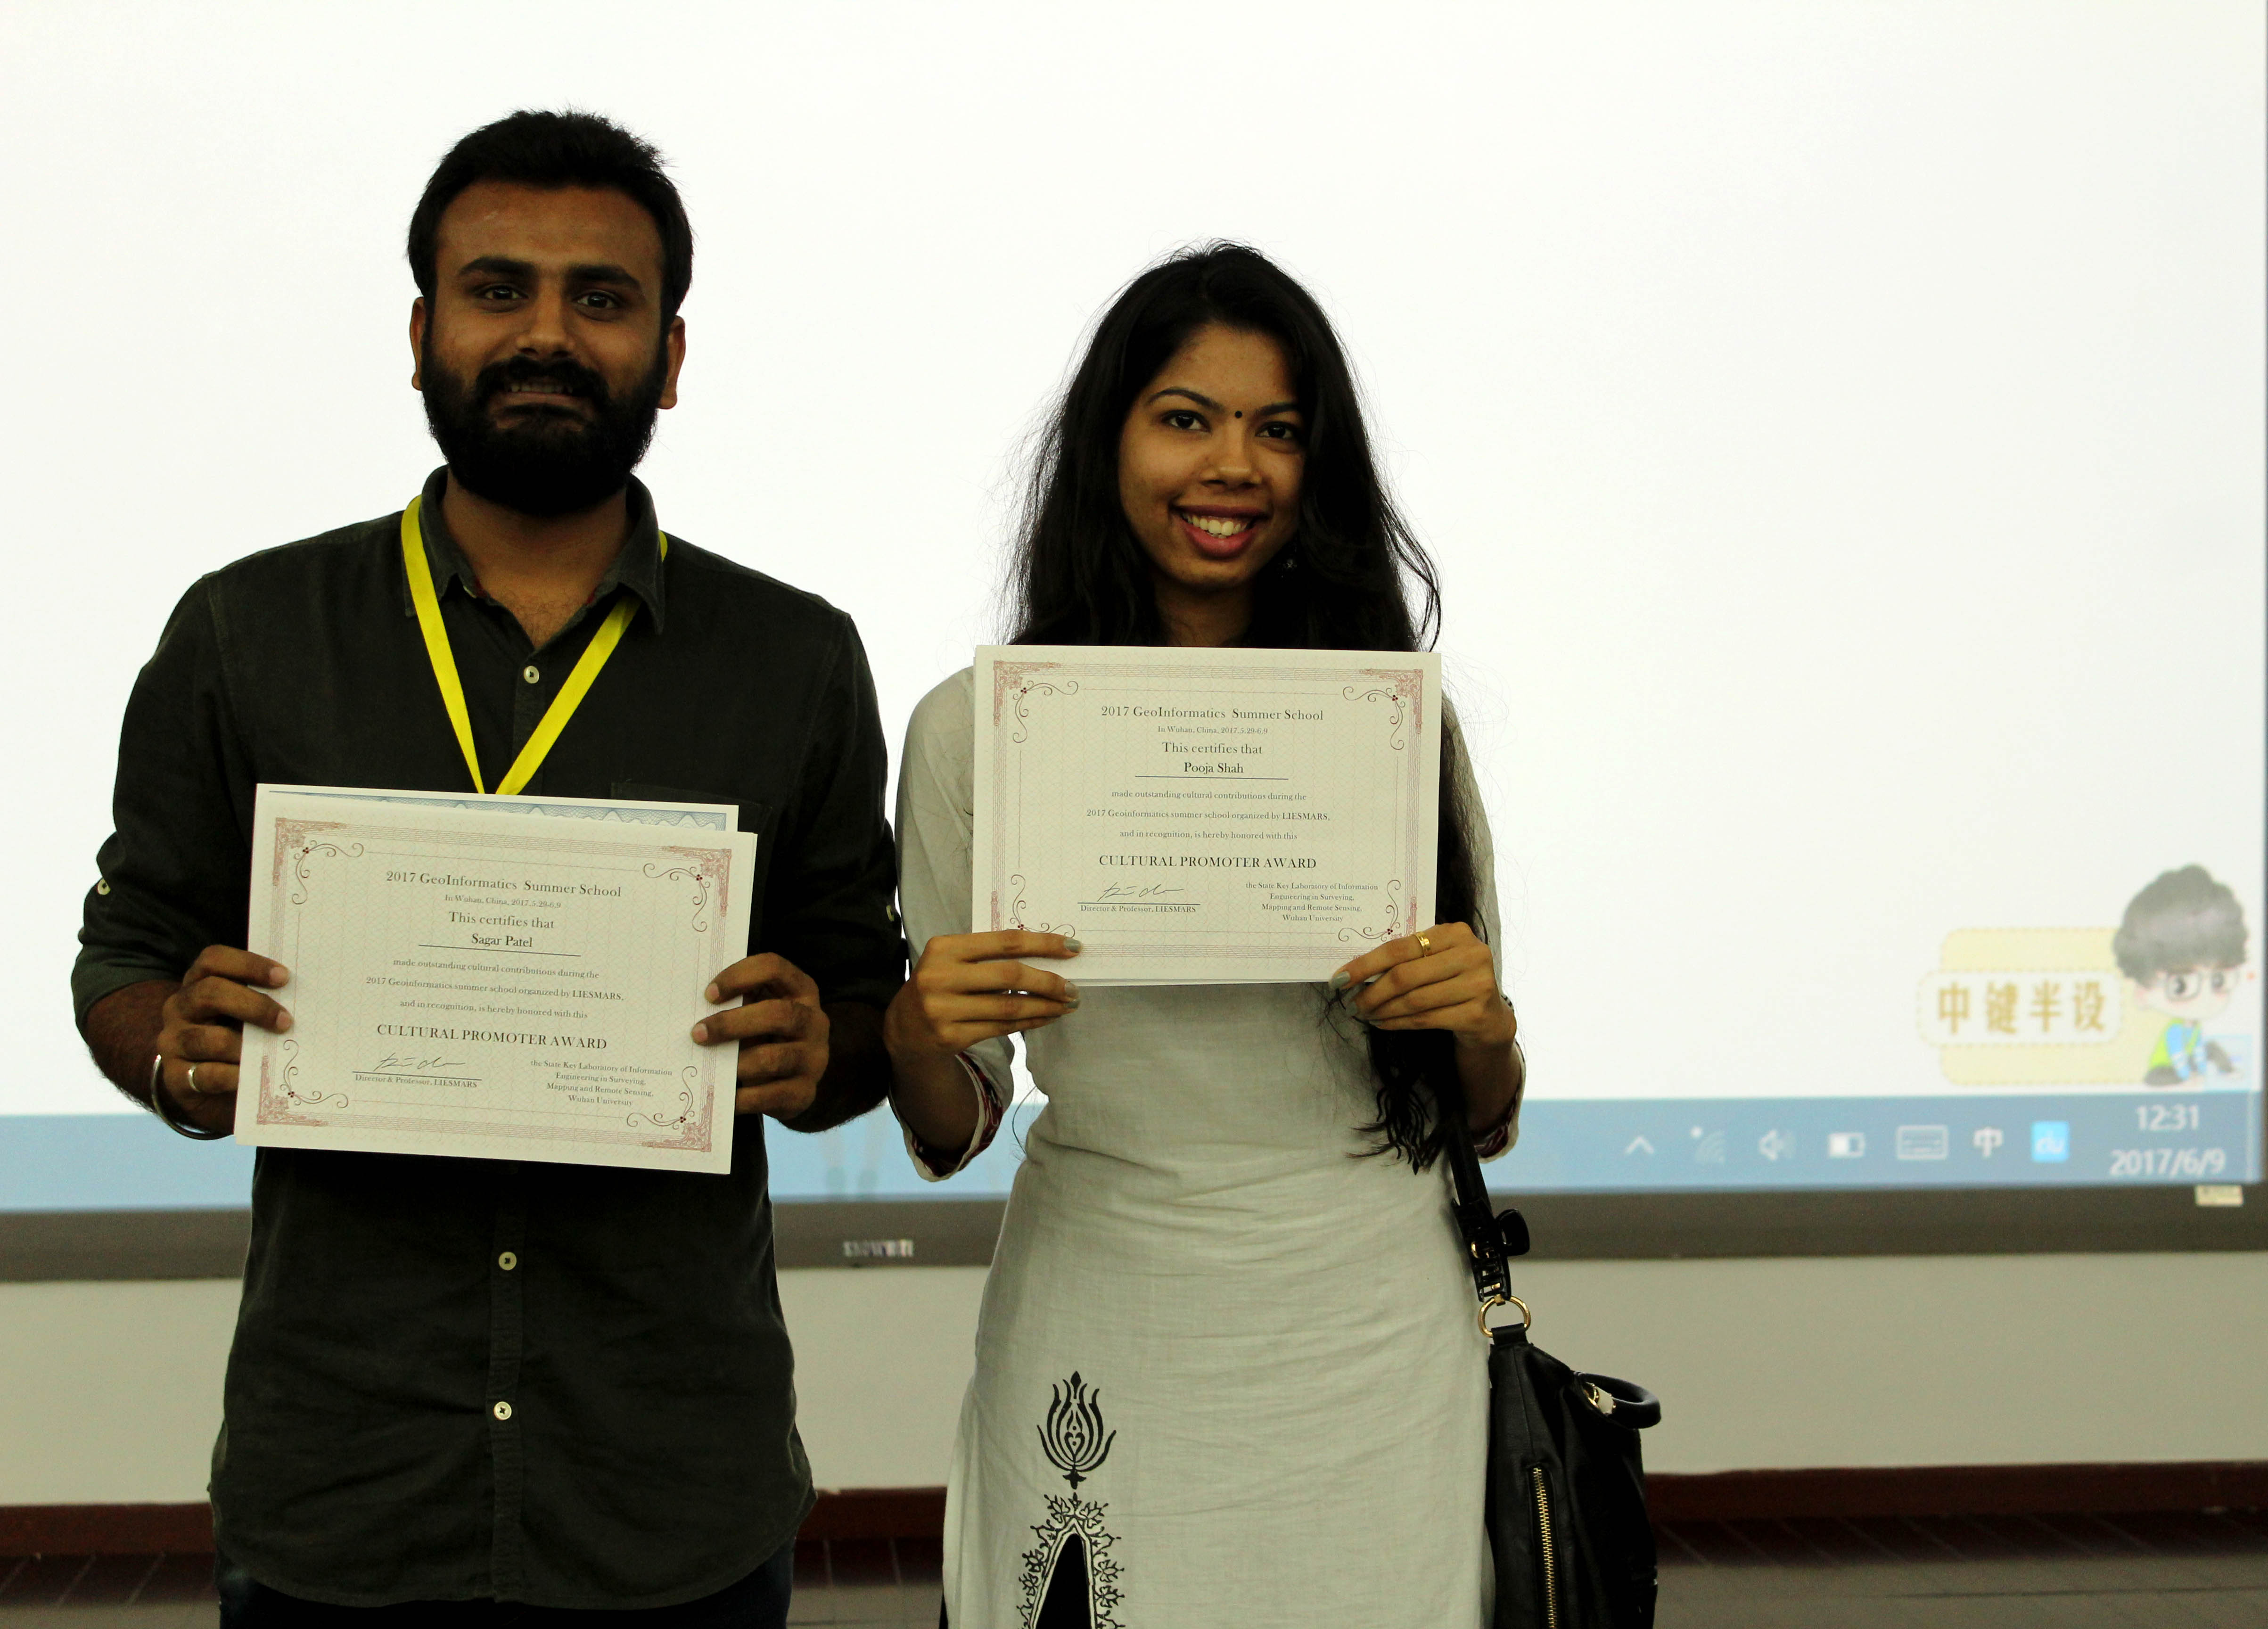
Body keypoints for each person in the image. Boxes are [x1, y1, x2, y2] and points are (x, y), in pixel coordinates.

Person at [71, 110, 902, 1624]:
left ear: (669, 351)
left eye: (602, 298)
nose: (546, 334)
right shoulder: (248, 632)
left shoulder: (793, 660)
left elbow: (861, 1000)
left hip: (668, 1495)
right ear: (420, 330)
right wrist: (174, 1047)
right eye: (496, 288)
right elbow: (127, 953)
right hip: (345, 1483)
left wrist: (820, 1043)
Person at [884, 244, 1524, 1628]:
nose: (1232, 464)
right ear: (1107, 443)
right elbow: (954, 1121)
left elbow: (1479, 1115)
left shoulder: (1394, 725)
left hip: (1370, 1321)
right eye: (1185, 418)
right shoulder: (971, 731)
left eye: (1276, 430)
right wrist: (910, 1033)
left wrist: (1484, 1027)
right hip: (1104, 1291)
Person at [2114, 864, 2248, 1086]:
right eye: (2181, 986)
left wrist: (2202, 1071)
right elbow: (2177, 1054)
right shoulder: (2175, 1031)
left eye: (2219, 981)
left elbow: (2196, 1050)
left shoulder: (2194, 1028)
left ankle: (2229, 1071)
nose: (2205, 999)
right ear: (2142, 991)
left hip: (2190, 1068)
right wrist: (2189, 1077)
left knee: (2212, 1050)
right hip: (2167, 1069)